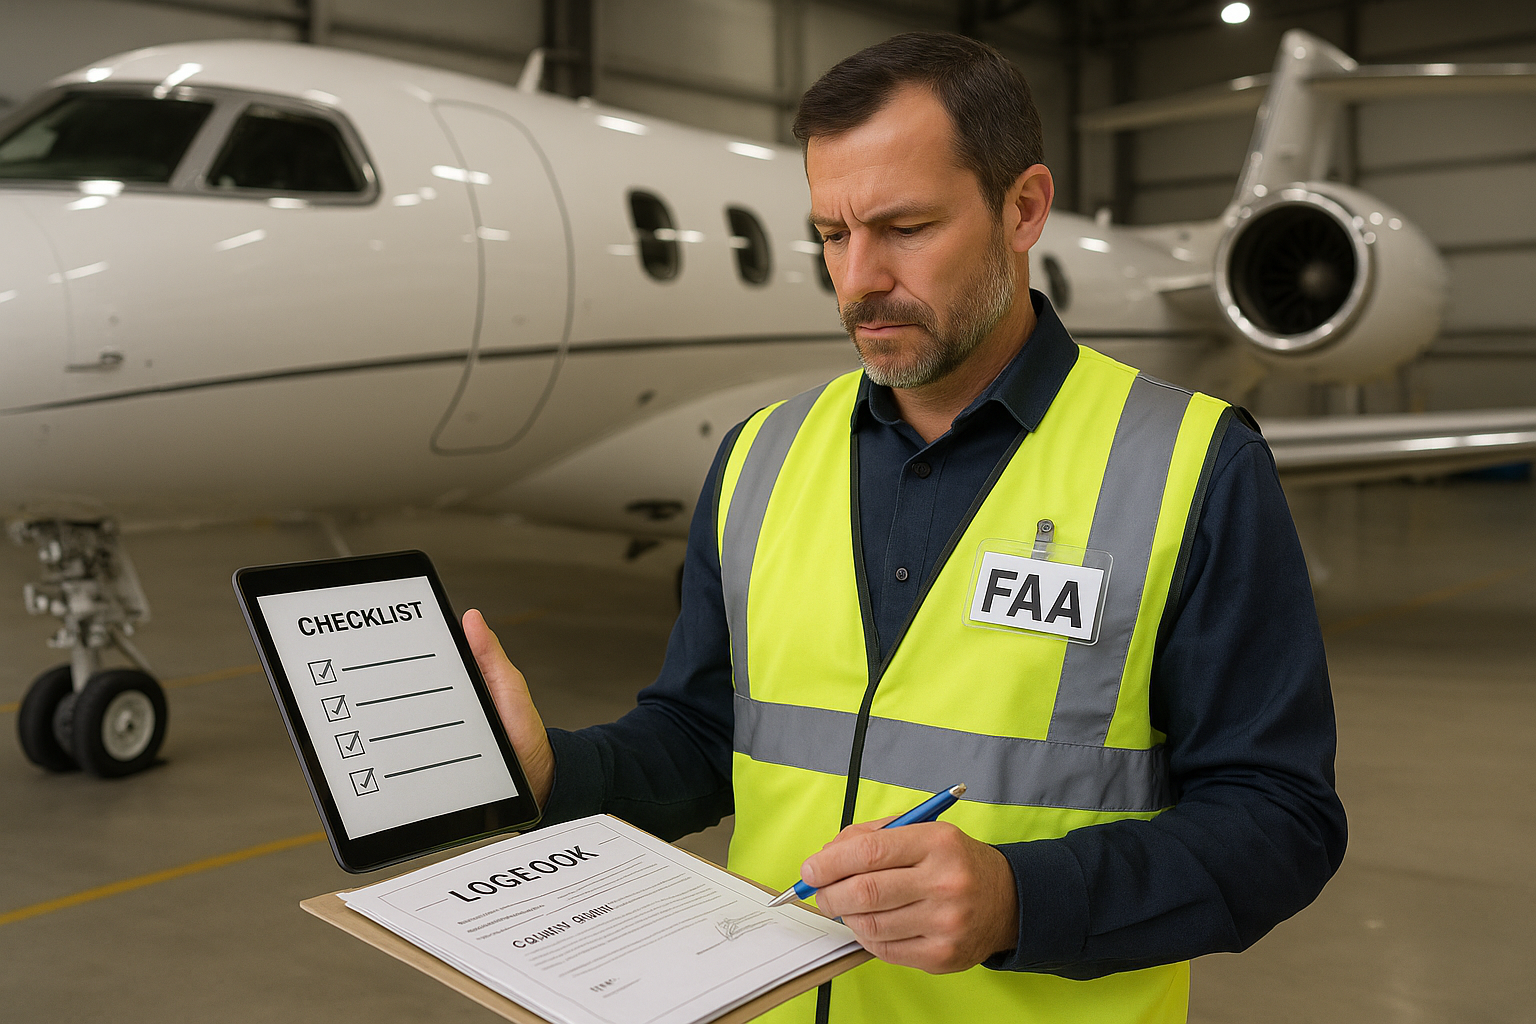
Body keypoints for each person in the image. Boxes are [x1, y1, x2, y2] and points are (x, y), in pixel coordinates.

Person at [463, 31, 1346, 1024]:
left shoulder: (1192, 466)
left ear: (1024, 208)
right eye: (833, 235)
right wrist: (554, 771)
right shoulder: (761, 457)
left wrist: (1021, 898)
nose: (858, 281)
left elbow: (1282, 820)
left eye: (906, 227)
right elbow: (706, 736)